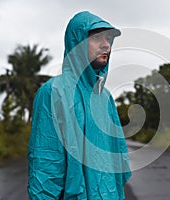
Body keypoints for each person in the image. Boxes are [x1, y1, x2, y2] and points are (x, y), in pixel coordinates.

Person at [27, 11, 131, 200]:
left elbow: (118, 160)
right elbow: (45, 168)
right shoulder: (54, 92)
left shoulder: (104, 97)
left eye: (108, 38)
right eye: (97, 37)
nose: (106, 44)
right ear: (78, 42)